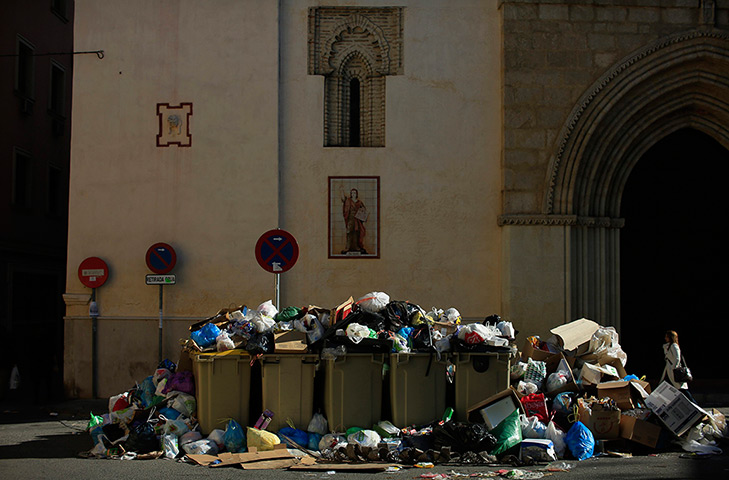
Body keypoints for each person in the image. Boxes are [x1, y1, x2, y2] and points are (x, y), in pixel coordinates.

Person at [661, 330, 696, 404]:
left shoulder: (674, 346)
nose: (665, 338)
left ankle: (694, 404)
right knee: (675, 389)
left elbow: (677, 358)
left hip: (674, 371)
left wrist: (674, 368)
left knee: (682, 389)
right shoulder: (668, 346)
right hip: (669, 371)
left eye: (667, 336)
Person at [340, 187, 368, 254]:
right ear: (351, 194)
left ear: (356, 194)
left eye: (354, 193)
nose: (353, 194)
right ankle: (347, 247)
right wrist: (341, 191)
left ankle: (356, 247)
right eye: (352, 193)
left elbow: (364, 210)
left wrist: (361, 215)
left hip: (357, 219)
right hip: (350, 219)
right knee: (349, 232)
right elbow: (343, 199)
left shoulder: (359, 202)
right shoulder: (348, 200)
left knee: (356, 233)